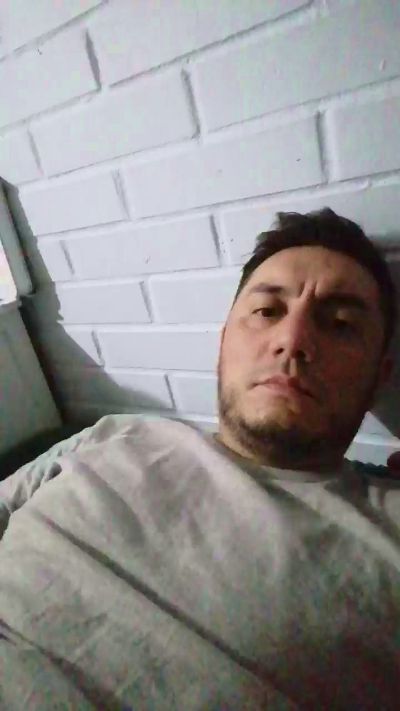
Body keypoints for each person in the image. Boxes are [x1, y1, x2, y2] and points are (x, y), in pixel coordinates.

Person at [0, 208, 399, 709]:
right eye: (267, 311)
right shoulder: (115, 434)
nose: (292, 340)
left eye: (340, 324)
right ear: (223, 342)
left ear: (380, 375)